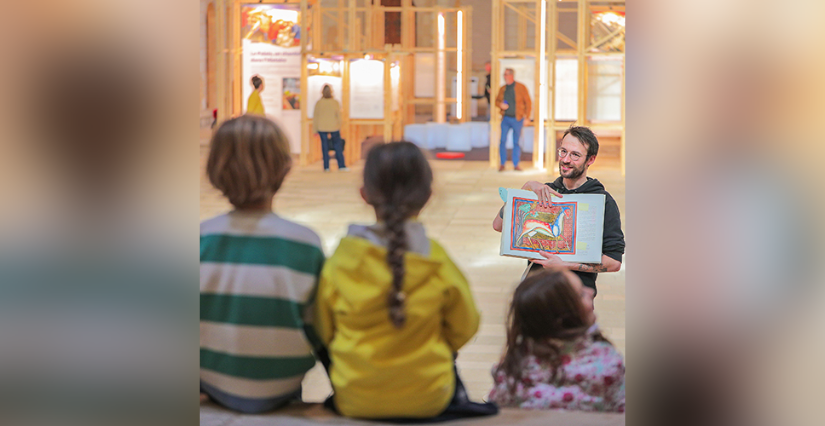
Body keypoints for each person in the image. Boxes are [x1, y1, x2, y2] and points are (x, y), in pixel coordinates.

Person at [315, 141, 497, 421]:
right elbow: (464, 327)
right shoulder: (436, 261)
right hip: (429, 397)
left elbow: (323, 330)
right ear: (428, 195)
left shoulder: (342, 260)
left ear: (364, 194)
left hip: (355, 398)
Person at [200, 115, 325, 413]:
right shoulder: (304, 242)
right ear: (285, 168)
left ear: (214, 171)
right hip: (283, 384)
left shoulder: (198, 239)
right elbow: (317, 327)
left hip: (210, 380)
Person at [493, 126, 625, 296]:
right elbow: (498, 225)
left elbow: (614, 262)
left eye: (575, 155)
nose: (566, 159)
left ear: (590, 160)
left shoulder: (602, 201)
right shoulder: (544, 192)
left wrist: (564, 264)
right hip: (535, 296)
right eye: (563, 151)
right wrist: (525, 189)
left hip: (575, 299)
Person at [488, 269, 625, 412]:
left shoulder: (512, 369)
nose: (590, 291)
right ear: (566, 316)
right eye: (581, 294)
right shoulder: (606, 364)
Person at [494, 68, 532, 172]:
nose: (505, 76)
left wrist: (527, 117)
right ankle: (502, 163)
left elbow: (528, 103)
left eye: (506, 74)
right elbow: (496, 101)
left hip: (517, 119)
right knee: (502, 141)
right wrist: (500, 104)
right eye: (504, 74)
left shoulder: (521, 87)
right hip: (505, 118)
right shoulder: (503, 89)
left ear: (511, 75)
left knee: (516, 142)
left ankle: (516, 164)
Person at [312, 84, 348, 172]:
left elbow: (315, 116)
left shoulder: (319, 103)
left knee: (324, 147)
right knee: (337, 147)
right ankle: (341, 166)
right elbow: (339, 116)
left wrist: (315, 129)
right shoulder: (335, 102)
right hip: (334, 127)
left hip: (321, 127)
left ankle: (326, 167)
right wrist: (340, 126)